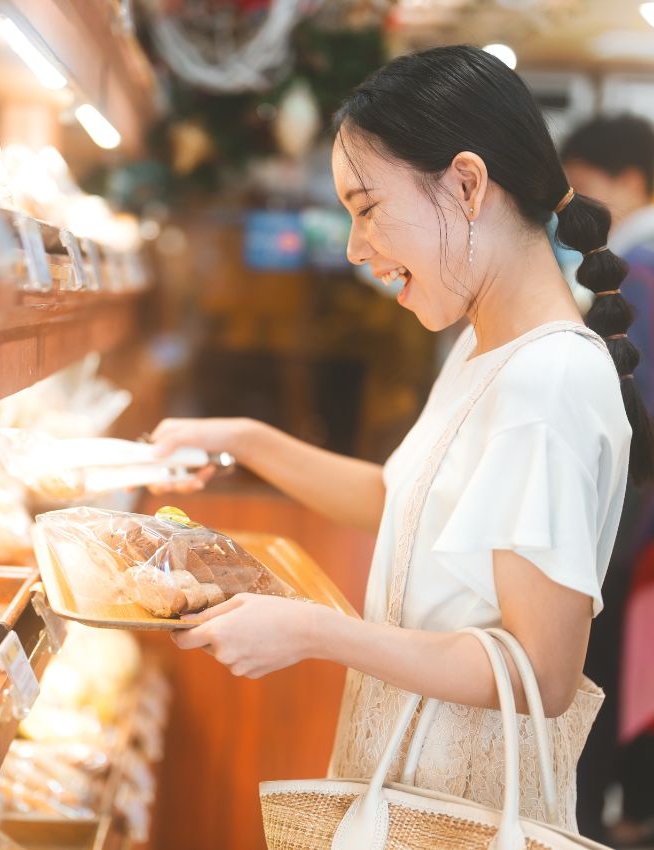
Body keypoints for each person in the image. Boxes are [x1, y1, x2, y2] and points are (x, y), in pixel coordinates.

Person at [150, 45, 652, 832]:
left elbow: (541, 673)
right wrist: (244, 438)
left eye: (367, 207)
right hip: (408, 783)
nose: (355, 247)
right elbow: (401, 499)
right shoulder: (484, 346)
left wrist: (316, 633)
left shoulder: (548, 378)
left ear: (467, 184)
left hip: (464, 811)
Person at [561, 113, 654, 845]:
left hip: (626, 529)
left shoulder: (640, 271)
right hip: (633, 530)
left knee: (593, 698)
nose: (573, 209)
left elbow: (625, 417)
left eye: (585, 187)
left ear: (629, 182)